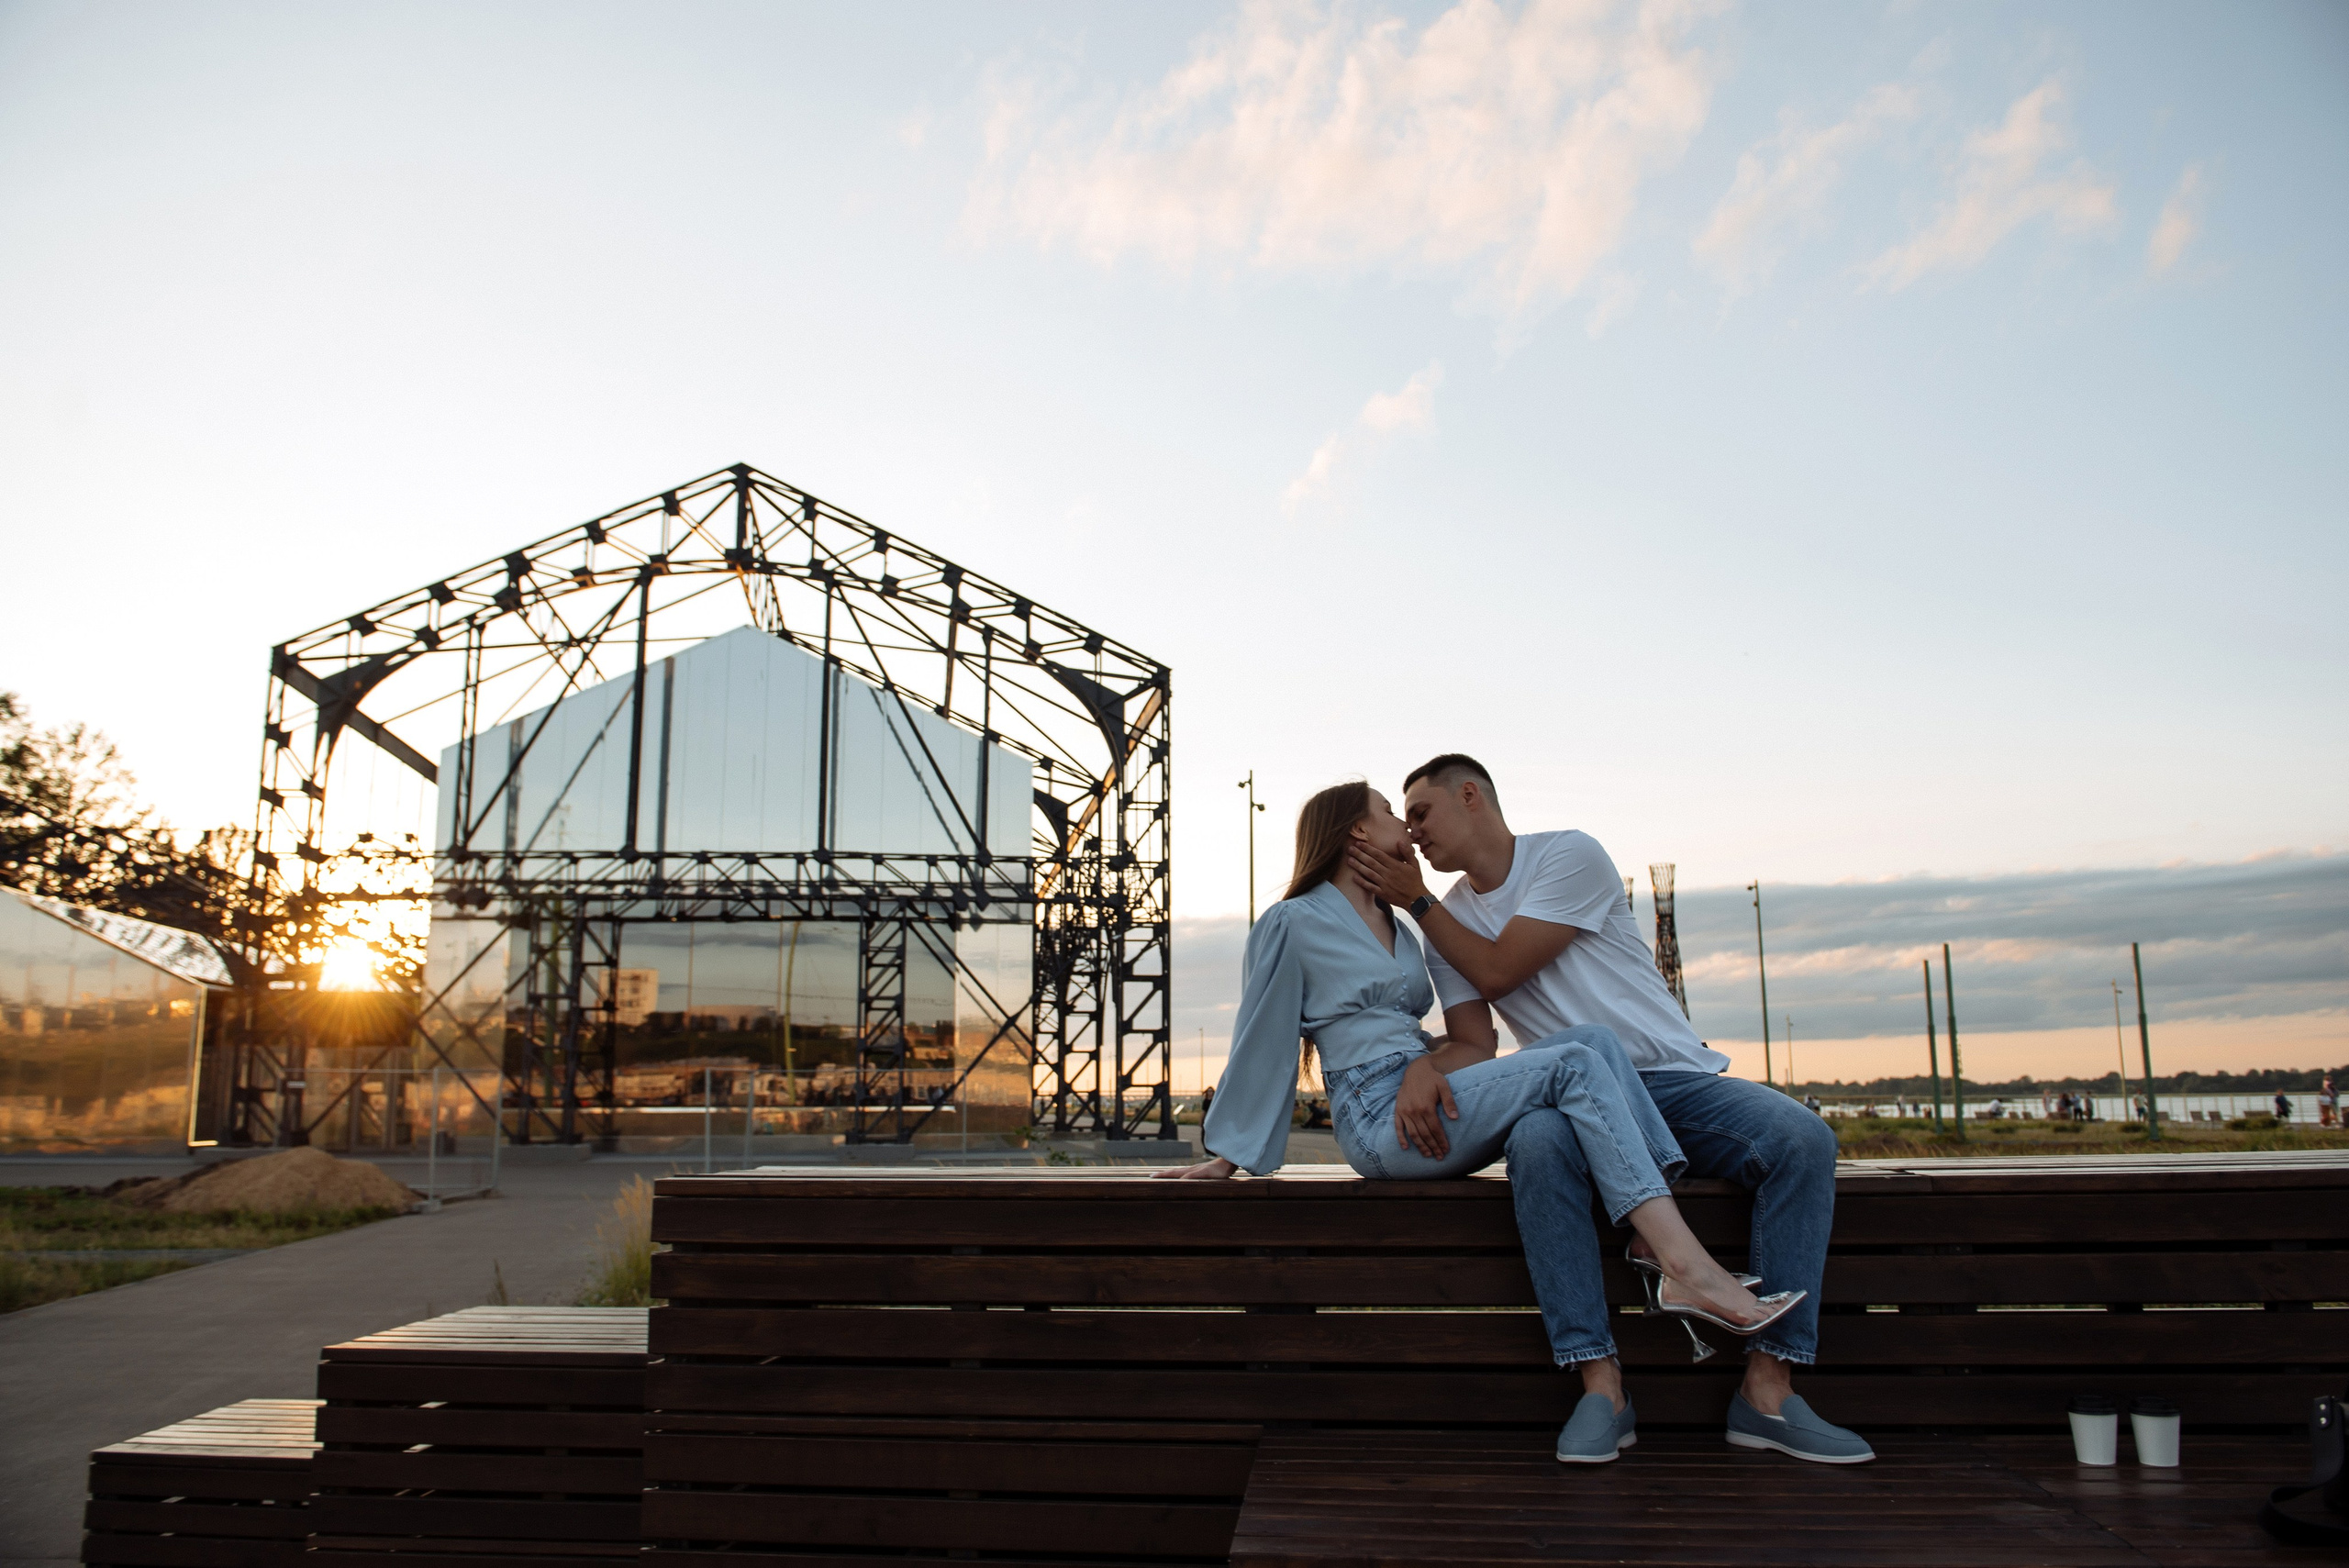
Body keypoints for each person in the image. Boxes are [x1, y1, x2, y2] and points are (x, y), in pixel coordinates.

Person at [1163, 779, 1803, 1464]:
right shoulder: (1292, 921)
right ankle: (1682, 1261)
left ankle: (1659, 1248)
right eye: (1388, 814)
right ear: (1352, 834)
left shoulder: (1403, 926)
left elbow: (1432, 1036)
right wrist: (1227, 1154)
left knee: (1593, 1041)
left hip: (1426, 1097)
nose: (1405, 829)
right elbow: (1261, 1034)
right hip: (1376, 1121)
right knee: (1577, 1061)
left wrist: (1428, 1062)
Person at [1347, 754, 1873, 1465]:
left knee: (1803, 1139)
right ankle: (1602, 1384)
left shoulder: (1569, 855)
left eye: (1421, 813)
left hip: (1670, 1079)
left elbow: (1502, 967)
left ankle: (1769, 1387)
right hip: (1572, 1095)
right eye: (1404, 820)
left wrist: (1417, 903)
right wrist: (1420, 1060)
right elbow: (1475, 1043)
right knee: (1534, 1142)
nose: (1411, 835)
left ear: (1470, 795)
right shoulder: (1446, 925)